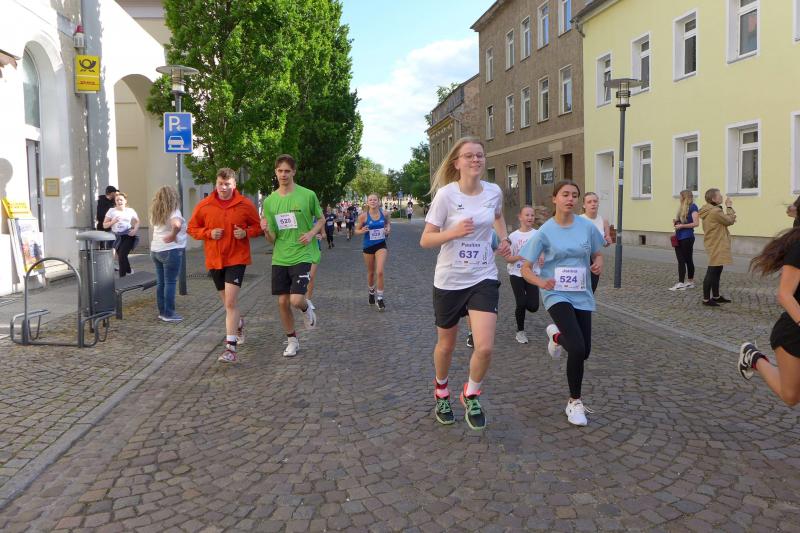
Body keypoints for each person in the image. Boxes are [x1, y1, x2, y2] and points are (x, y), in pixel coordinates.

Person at [420, 136, 511, 431]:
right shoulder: (446, 195)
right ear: (457, 163)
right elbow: (426, 240)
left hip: (483, 276)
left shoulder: (493, 191)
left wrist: (504, 239)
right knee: (446, 345)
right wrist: (453, 232)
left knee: (484, 347)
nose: (475, 160)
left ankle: (471, 394)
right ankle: (441, 391)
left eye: (479, 155)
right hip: (450, 279)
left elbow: (498, 217)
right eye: (469, 155)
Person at [520, 180, 605, 426]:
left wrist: (598, 263)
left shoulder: (586, 227)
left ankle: (556, 336)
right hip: (556, 293)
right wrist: (540, 282)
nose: (570, 199)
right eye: (565, 194)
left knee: (584, 351)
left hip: (582, 292)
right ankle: (574, 402)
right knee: (577, 348)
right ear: (554, 198)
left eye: (574, 195)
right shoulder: (545, 231)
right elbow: (525, 268)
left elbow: (598, 253)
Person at [187, 168, 262, 363]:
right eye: (220, 184)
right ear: (216, 184)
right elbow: (192, 228)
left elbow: (258, 227)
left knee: (230, 303)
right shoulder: (205, 205)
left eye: (227, 184)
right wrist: (208, 233)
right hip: (215, 260)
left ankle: (230, 349)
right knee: (228, 304)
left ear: (234, 185)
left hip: (237, 258)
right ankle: (239, 322)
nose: (223, 187)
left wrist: (245, 233)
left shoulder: (245, 204)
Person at [261, 154, 324, 357]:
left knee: (296, 300)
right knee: (282, 302)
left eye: (287, 171)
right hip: (280, 256)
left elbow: (321, 219)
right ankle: (292, 341)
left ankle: (306, 309)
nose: (283, 175)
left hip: (303, 253)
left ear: (294, 172)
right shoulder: (270, 202)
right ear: (275, 172)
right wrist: (266, 231)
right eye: (280, 171)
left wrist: (311, 233)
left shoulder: (307, 195)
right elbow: (272, 239)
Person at [739, 227, 800, 406]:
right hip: (793, 333)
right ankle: (753, 357)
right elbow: (784, 294)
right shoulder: (798, 247)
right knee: (791, 396)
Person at [506, 206, 545, 344]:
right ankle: (520, 332)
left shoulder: (538, 234)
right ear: (520, 217)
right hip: (516, 273)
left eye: (532, 215)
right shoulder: (513, 236)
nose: (530, 218)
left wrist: (542, 255)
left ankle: (524, 302)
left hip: (532, 274)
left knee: (533, 307)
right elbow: (508, 259)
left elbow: (543, 249)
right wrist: (521, 256)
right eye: (527, 215)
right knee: (521, 303)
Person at [149, 185, 187, 322]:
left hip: (156, 250)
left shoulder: (156, 212)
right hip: (170, 250)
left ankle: (162, 312)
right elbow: (176, 225)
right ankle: (169, 313)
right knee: (170, 282)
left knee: (161, 283)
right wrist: (173, 235)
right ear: (173, 197)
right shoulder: (174, 211)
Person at [698, 188, 736, 306]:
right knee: (712, 270)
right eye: (719, 196)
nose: (722, 197)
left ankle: (716, 296)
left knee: (717, 270)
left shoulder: (710, 209)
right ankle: (706, 299)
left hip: (714, 242)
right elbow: (729, 221)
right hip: (716, 243)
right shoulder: (715, 211)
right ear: (713, 199)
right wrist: (729, 207)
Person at [356, 193, 391, 311]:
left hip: (381, 245)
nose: (372, 201)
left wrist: (387, 230)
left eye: (375, 199)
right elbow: (356, 230)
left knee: (379, 271)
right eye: (370, 200)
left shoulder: (384, 214)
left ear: (379, 201)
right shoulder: (363, 216)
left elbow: (388, 224)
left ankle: (380, 298)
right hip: (368, 246)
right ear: (367, 202)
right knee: (371, 273)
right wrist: (362, 230)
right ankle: (371, 292)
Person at [579, 192, 612, 293]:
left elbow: (605, 243)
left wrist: (608, 241)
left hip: (596, 258)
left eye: (595, 201)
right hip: (580, 258)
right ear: (584, 205)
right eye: (589, 202)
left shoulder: (604, 221)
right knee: (580, 287)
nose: (593, 204)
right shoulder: (579, 220)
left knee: (592, 287)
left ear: (598, 203)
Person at [103, 192, 139, 277]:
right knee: (122, 256)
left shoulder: (130, 210)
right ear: (115, 201)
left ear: (125, 201)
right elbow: (104, 225)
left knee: (122, 255)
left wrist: (135, 230)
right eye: (117, 200)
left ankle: (122, 278)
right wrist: (113, 221)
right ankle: (129, 271)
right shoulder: (111, 211)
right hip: (117, 237)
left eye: (121, 200)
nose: (119, 201)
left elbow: (137, 221)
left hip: (128, 235)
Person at [670, 190, 700, 291]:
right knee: (682, 260)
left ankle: (684, 283)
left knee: (686, 260)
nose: (679, 198)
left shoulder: (693, 207)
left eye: (680, 196)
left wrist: (682, 225)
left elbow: (696, 223)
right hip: (679, 236)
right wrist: (677, 222)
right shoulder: (682, 207)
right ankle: (686, 282)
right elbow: (684, 221)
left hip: (687, 237)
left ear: (684, 197)